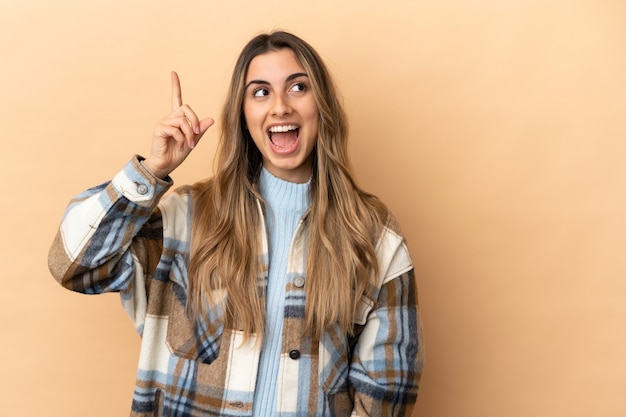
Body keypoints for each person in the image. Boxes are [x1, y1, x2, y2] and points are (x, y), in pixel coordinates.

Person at [48, 30, 424, 417]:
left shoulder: (373, 234)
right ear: (243, 115)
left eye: (297, 87)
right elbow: (72, 264)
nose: (280, 107)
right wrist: (151, 171)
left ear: (321, 105)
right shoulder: (186, 217)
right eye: (260, 92)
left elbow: (387, 390)